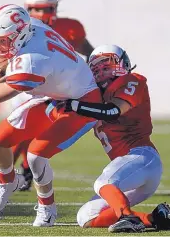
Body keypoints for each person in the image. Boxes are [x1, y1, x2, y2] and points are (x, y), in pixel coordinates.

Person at [0, 4, 102, 227]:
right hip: (55, 93)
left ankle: (47, 208)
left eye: (1, 40)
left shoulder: (32, 61)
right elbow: (12, 62)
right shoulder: (32, 27)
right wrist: (3, 64)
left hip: (82, 102)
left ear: (20, 34)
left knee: (35, 155)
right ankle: (7, 181)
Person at [0, 0, 95, 190]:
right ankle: (16, 171)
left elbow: (90, 52)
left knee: (35, 129)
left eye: (47, 8)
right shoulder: (21, 29)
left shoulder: (70, 27)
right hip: (27, 85)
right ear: (27, 10)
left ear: (55, 8)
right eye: (36, 9)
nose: (42, 14)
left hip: (53, 88)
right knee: (20, 126)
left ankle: (23, 170)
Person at [64, 45, 170, 232]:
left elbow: (112, 111)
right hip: (129, 171)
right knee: (86, 216)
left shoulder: (132, 81)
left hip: (142, 158)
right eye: (97, 70)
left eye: (107, 67)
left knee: (103, 183)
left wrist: (74, 105)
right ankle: (156, 218)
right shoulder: (94, 97)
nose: (102, 73)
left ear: (123, 64)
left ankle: (126, 217)